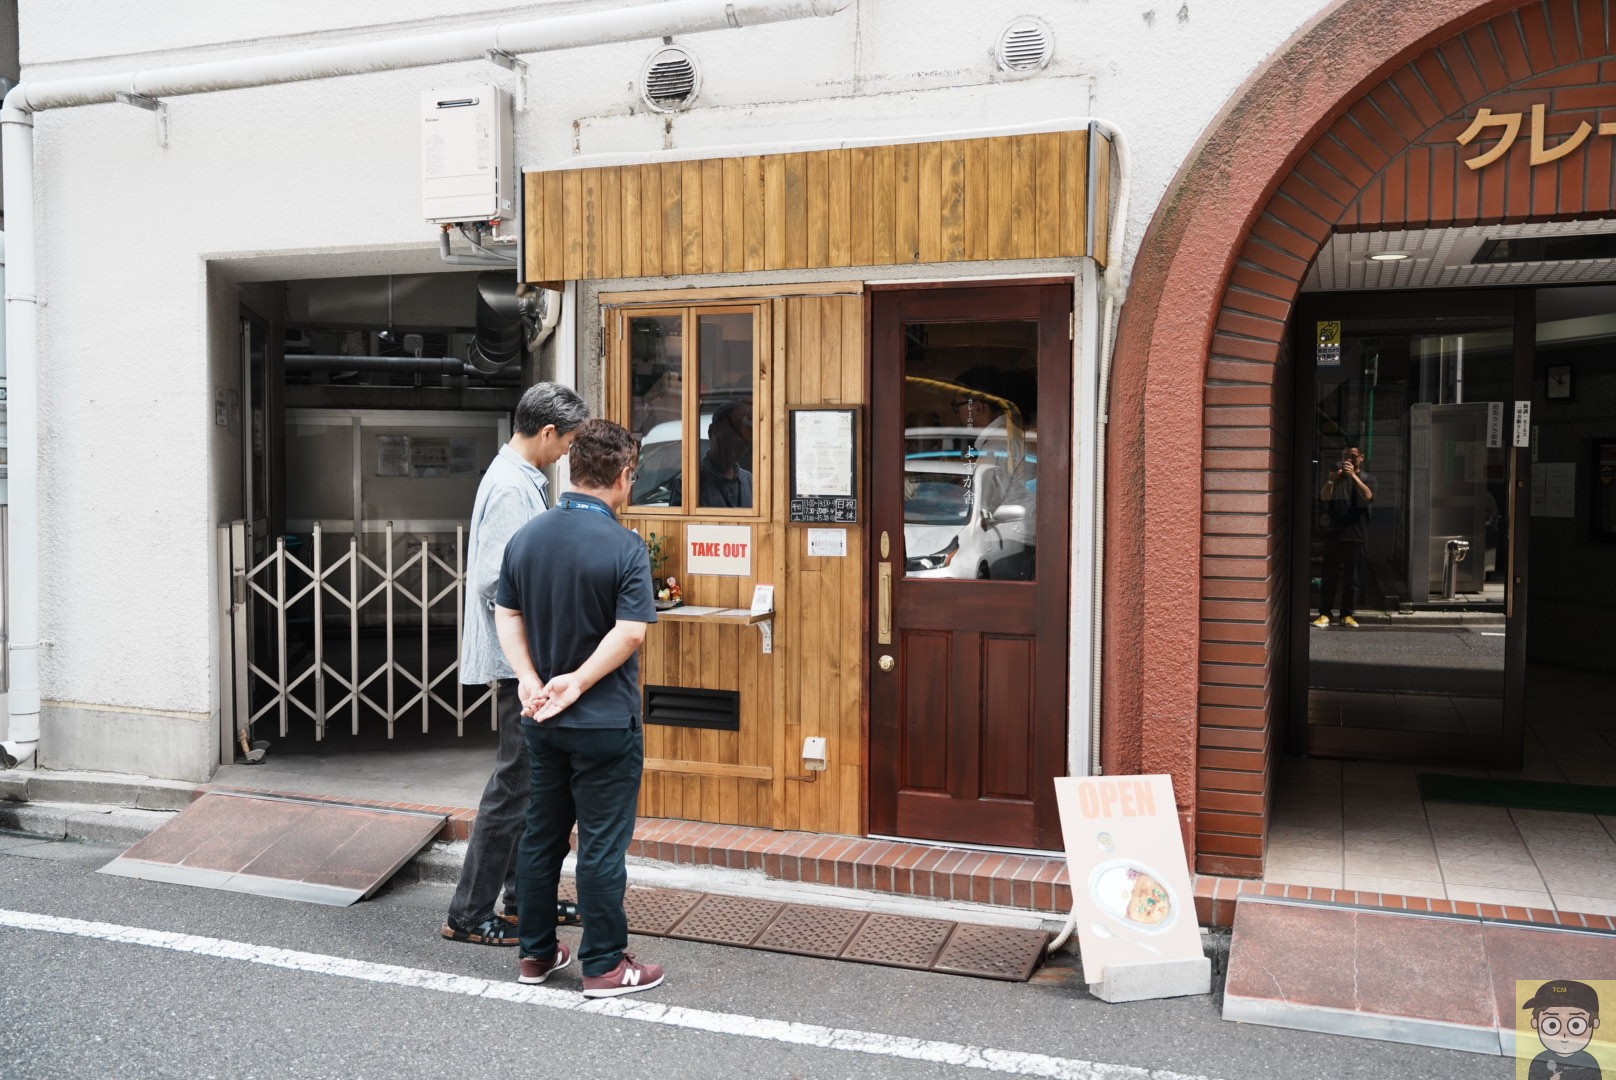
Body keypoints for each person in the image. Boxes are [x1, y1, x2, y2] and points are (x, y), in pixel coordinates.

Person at [495, 419, 665, 997]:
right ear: (622, 477)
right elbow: (631, 633)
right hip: (605, 723)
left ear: (570, 468)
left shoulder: (529, 537)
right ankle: (605, 966)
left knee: (542, 836)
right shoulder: (624, 546)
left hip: (542, 719)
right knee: (600, 845)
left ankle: (536, 956)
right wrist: (580, 681)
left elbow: (506, 611)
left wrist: (530, 679)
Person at [440, 382, 588, 947]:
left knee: (527, 783)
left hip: (523, 654)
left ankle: (523, 899)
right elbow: (493, 580)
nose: (568, 453)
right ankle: (469, 912)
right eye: (568, 442)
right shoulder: (509, 487)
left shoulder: (520, 478)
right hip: (517, 659)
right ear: (548, 432)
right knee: (516, 784)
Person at [1313, 445, 1375, 629]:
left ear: (1361, 458)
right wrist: (1332, 480)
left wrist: (1353, 476)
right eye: (1345, 456)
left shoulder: (1367, 478)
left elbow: (1368, 496)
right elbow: (1323, 498)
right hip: (1334, 534)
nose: (1348, 459)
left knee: (1352, 578)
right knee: (1329, 576)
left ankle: (1347, 614)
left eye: (1353, 456)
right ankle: (1325, 613)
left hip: (1356, 535)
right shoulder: (1335, 478)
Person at [1521, 979, 1602, 1079]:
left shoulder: (1589, 1061)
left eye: (1576, 1025)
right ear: (1535, 1023)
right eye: (1552, 1025)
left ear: (1595, 1023)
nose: (1564, 1035)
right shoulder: (1540, 1060)